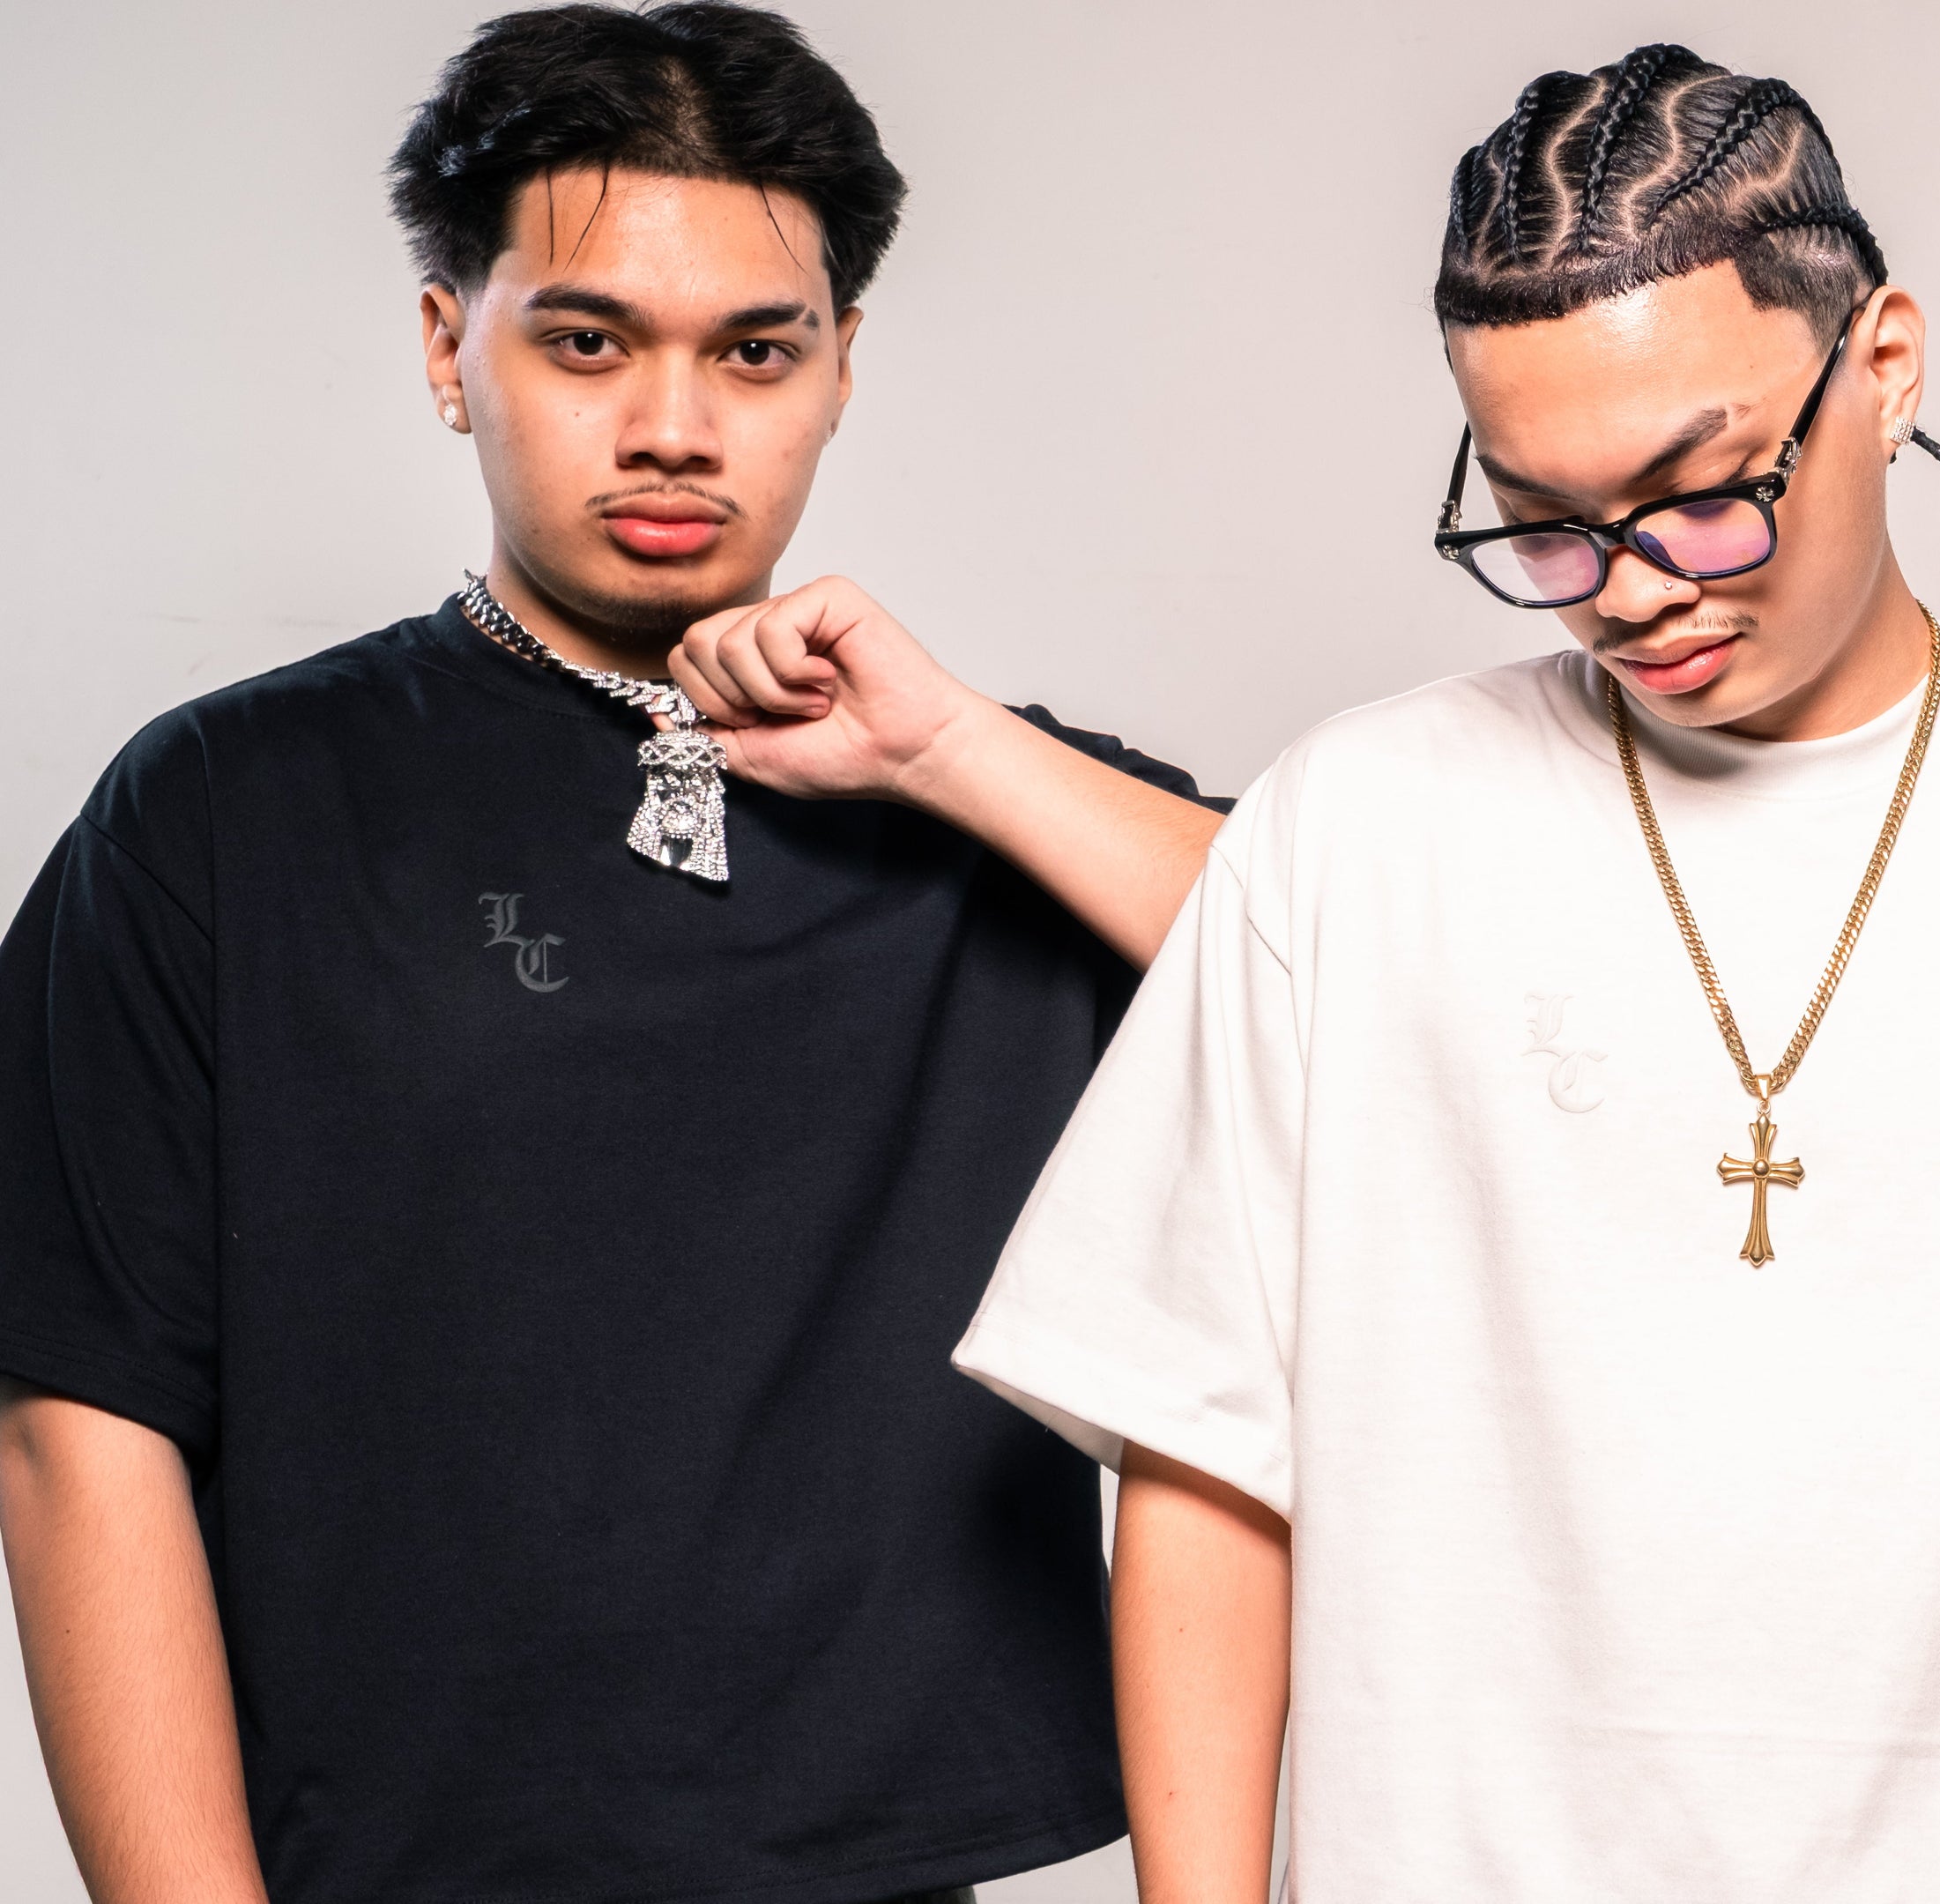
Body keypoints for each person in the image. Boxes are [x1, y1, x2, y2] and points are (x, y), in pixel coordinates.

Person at [684, 43, 1940, 1902]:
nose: (1633, 587)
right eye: (1544, 523)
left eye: (1703, 493)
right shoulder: (1353, 829)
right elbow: (1203, 1453)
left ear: (1885, 366)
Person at [0, 7, 1220, 1901]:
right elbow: (78, 1417)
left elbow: (1376, 992)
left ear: (842, 366)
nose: (673, 425)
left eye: (756, 350)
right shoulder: (226, 809)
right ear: (448, 346)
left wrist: (952, 755)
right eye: (586, 341)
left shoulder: (1000, 809)